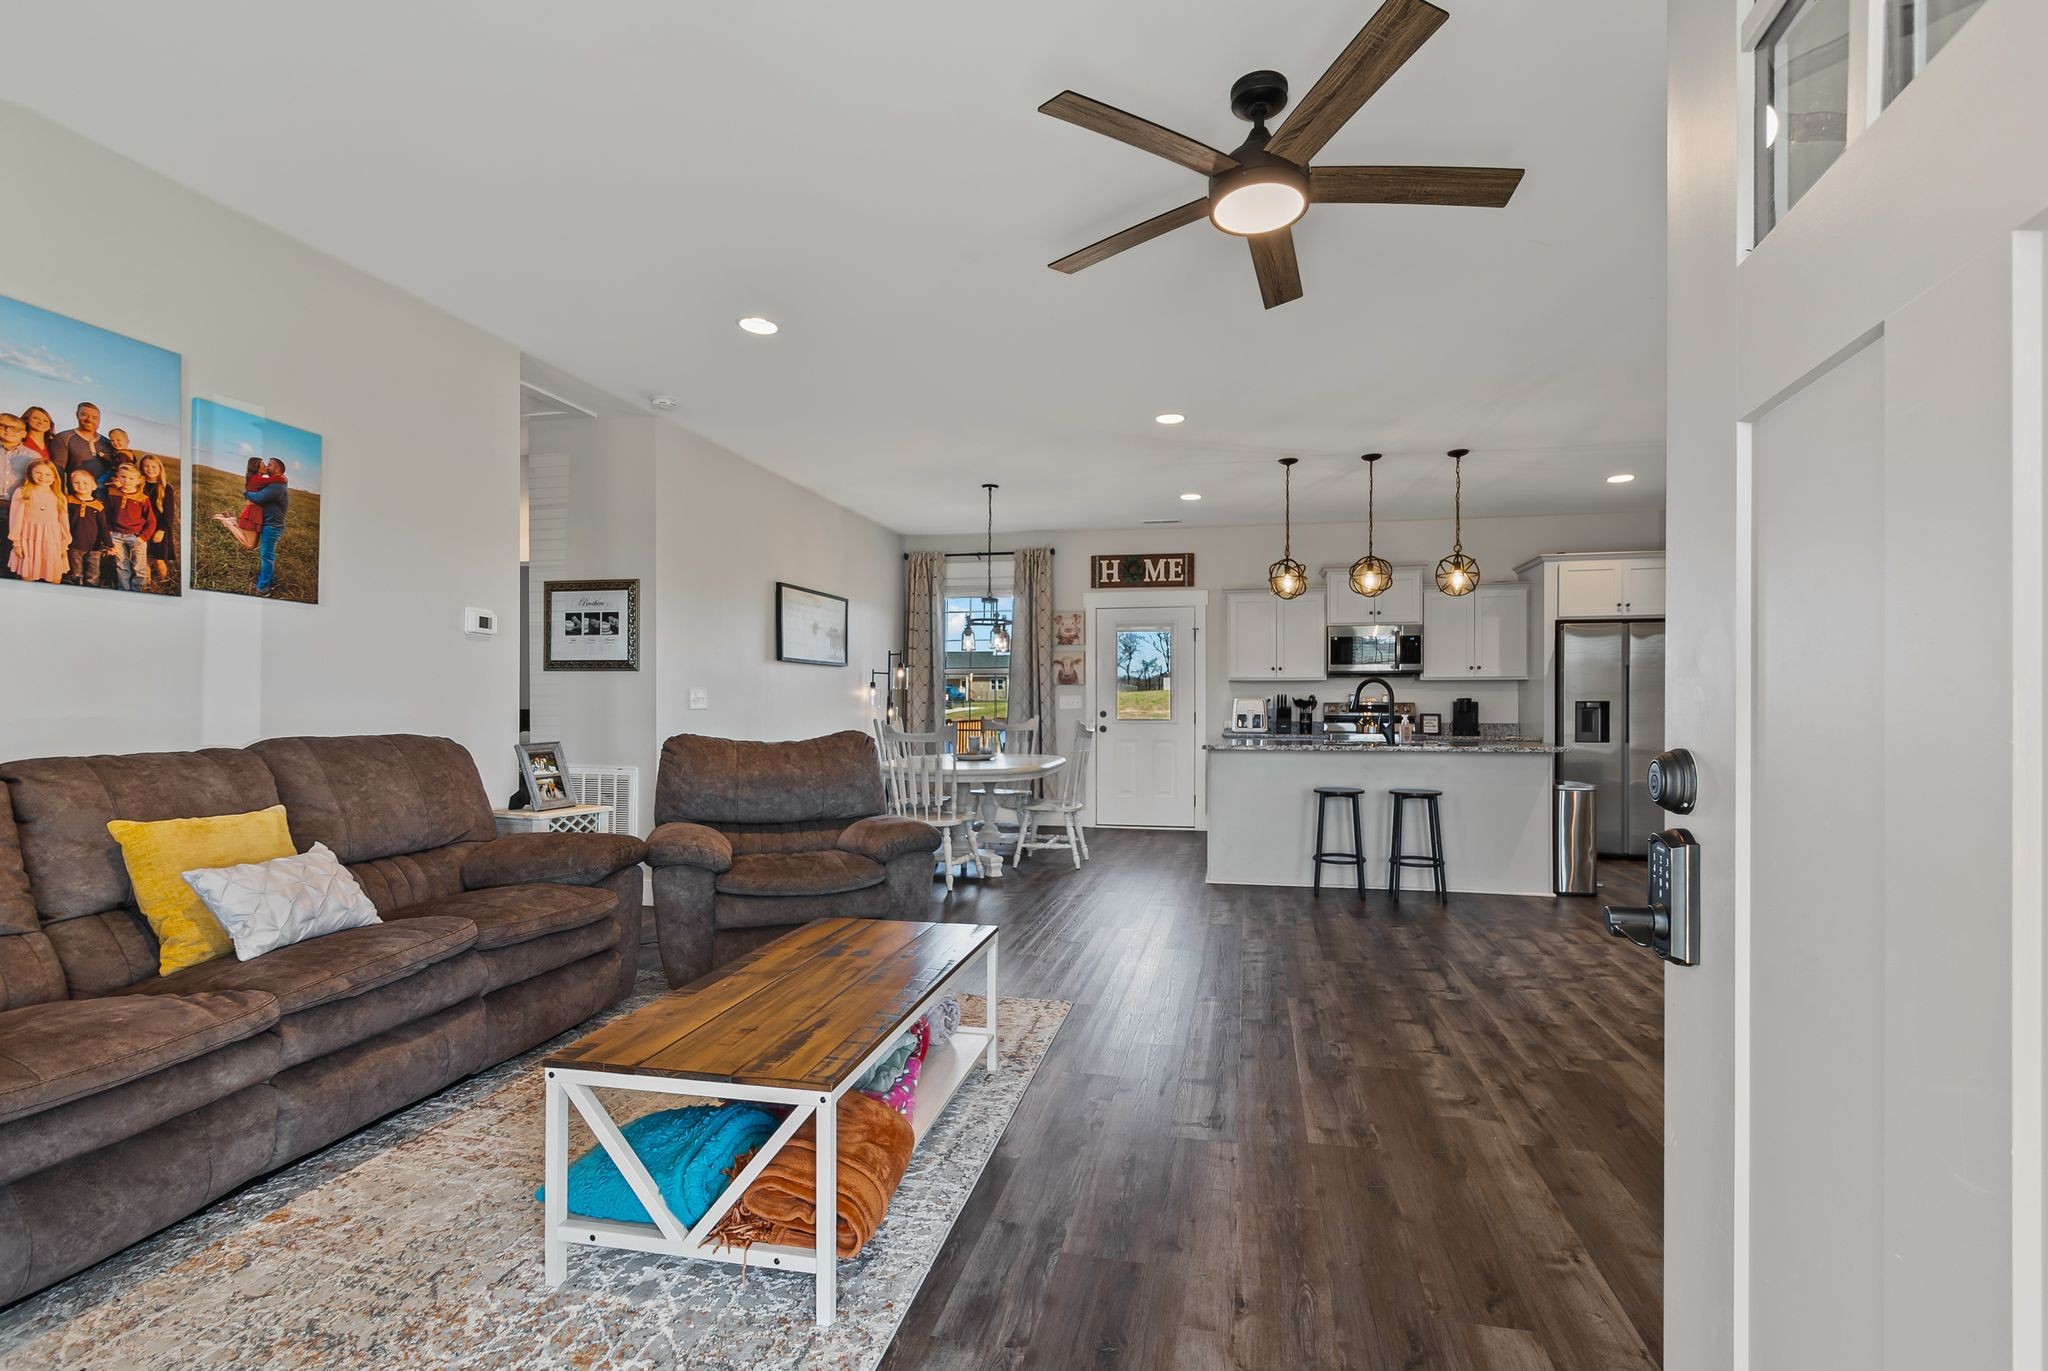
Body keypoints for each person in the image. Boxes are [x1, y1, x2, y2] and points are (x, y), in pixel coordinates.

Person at [6, 458, 69, 584]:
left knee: (54, 576)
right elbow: (16, 519)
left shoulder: (59, 495)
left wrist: (64, 544)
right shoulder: (23, 493)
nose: (43, 477)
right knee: (28, 574)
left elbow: (63, 523)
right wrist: (17, 543)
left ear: (54, 477)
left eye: (47, 474)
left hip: (52, 539)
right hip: (29, 538)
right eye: (38, 473)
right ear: (30, 473)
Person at [212, 456, 285, 552]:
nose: (266, 467)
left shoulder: (257, 478)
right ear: (257, 467)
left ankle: (231, 520)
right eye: (264, 465)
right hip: (253, 512)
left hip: (255, 512)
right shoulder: (256, 479)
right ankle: (228, 523)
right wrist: (282, 477)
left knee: (251, 543)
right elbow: (277, 480)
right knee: (250, 545)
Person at [102, 461, 156, 591]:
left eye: (131, 478)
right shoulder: (112, 493)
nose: (127, 481)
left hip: (136, 537)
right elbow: (106, 515)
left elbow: (151, 521)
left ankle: (138, 591)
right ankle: (124, 590)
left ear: (138, 480)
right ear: (118, 477)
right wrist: (108, 532)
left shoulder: (142, 499)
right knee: (121, 565)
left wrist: (143, 537)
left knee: (139, 567)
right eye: (123, 477)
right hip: (116, 536)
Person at [243, 457, 289, 595]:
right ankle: (269, 581)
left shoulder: (277, 486)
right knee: (268, 555)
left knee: (266, 555)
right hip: (270, 524)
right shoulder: (275, 483)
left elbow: (259, 498)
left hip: (272, 526)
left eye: (270, 465)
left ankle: (263, 588)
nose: (267, 467)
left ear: (278, 469)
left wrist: (245, 493)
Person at [49, 402, 117, 489]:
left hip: (104, 497)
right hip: (77, 496)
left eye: (94, 418)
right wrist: (59, 495)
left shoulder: (108, 442)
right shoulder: (64, 437)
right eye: (84, 415)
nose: (89, 419)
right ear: (77, 415)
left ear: (99, 420)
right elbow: (58, 470)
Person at [0, 413, 36, 579]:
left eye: (14, 428)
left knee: (8, 552)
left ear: (24, 433)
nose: (7, 431)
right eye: (3, 425)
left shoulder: (32, 457)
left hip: (15, 509)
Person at [63, 468, 109, 588]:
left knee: (93, 574)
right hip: (73, 545)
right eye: (76, 482)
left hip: (94, 547)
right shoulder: (68, 501)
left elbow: (103, 526)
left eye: (85, 483)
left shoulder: (98, 506)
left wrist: (109, 544)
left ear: (94, 486)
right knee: (76, 573)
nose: (81, 486)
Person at [137, 452, 177, 584]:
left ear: (160, 468)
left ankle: (163, 584)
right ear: (142, 468)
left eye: (154, 467)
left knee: (158, 560)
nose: (150, 469)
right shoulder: (138, 485)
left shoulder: (166, 488)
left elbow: (169, 514)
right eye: (146, 466)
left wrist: (162, 530)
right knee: (144, 559)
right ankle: (147, 586)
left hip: (159, 529)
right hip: (142, 528)